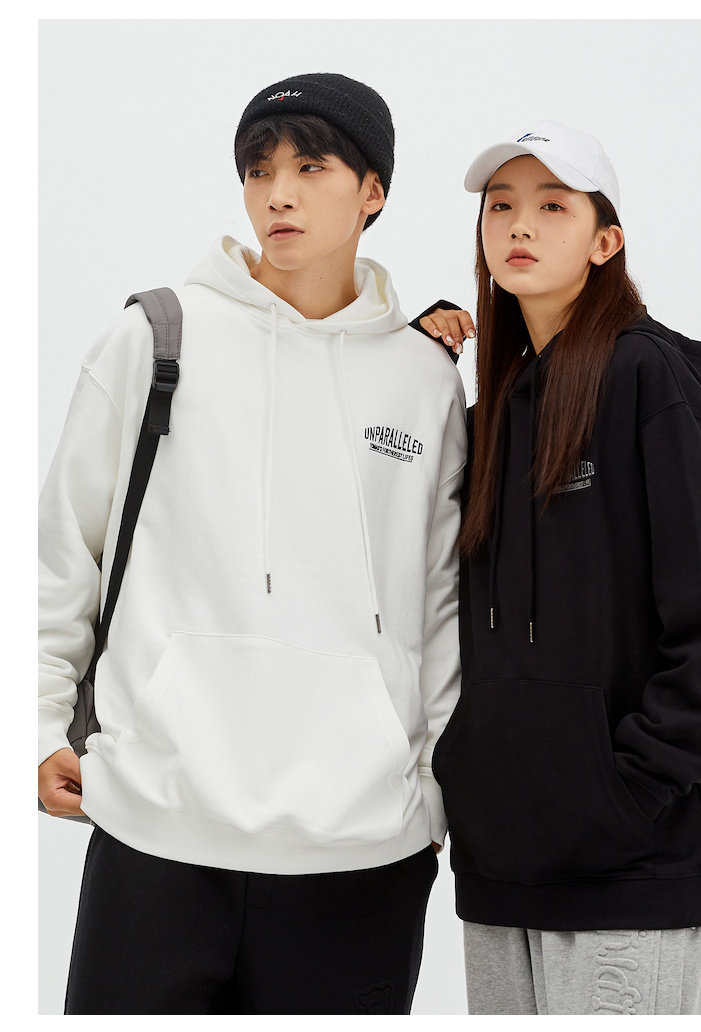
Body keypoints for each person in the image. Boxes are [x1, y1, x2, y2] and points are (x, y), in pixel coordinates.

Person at [38, 72, 467, 1015]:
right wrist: (33, 728)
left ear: (373, 191)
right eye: (258, 170)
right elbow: (63, 555)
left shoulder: (424, 380)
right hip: (156, 830)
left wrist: (435, 790)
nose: (277, 194)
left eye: (311, 168)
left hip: (363, 850)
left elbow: (441, 601)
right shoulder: (157, 338)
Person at [415, 121, 701, 1015]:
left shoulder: (648, 379)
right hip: (503, 860)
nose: (520, 225)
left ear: (606, 242)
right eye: (501, 207)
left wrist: (626, 793)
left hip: (630, 864)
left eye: (553, 207)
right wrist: (408, 361)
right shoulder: (494, 410)